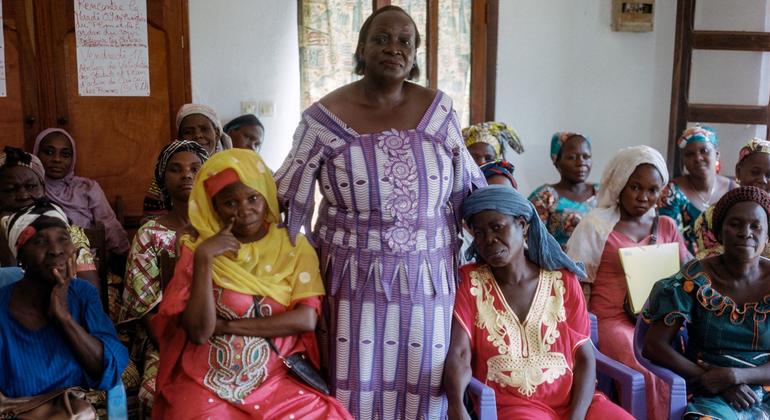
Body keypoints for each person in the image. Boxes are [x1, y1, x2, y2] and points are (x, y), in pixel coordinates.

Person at [274, 6, 485, 419]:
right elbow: (288, 196)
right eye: (382, 38)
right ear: (361, 48)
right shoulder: (324, 118)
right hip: (354, 279)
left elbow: (468, 186)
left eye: (405, 41)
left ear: (415, 53)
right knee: (357, 380)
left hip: (430, 278)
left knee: (427, 382)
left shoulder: (438, 110)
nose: (394, 48)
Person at [152, 149, 351, 419]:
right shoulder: (197, 248)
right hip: (206, 378)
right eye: (229, 203)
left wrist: (226, 327)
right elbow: (199, 333)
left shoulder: (293, 246)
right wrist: (204, 259)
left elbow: (304, 319)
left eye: (253, 198)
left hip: (278, 376)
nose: (245, 211)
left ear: (266, 194)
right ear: (214, 206)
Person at [444, 185, 632, 420]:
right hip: (516, 407)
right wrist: (456, 405)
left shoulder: (562, 279)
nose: (489, 239)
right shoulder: (471, 282)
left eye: (496, 227)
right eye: (479, 233)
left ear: (522, 225)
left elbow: (583, 356)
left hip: (576, 403)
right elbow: (459, 354)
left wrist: (576, 416)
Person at [566, 145, 692, 420]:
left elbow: (690, 273)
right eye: (635, 187)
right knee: (645, 362)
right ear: (620, 183)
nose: (643, 197)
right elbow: (575, 282)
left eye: (652, 190)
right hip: (612, 319)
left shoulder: (667, 226)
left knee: (687, 355)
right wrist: (581, 330)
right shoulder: (596, 226)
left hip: (658, 319)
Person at [644, 186, 770, 419]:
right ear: (719, 233)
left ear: (767, 234)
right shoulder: (695, 279)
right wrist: (717, 381)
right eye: (735, 224)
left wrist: (735, 376)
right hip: (712, 391)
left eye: (756, 226)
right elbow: (654, 345)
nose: (745, 233)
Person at [0, 200, 127, 403]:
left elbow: (110, 367)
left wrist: (65, 319)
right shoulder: (3, 309)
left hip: (75, 413)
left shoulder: (83, 294)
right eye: (40, 241)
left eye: (63, 239)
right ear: (20, 255)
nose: (56, 250)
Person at [118, 140, 209, 413]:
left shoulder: (221, 230)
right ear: (162, 179)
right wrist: (175, 346)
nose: (187, 175)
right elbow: (145, 309)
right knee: (159, 393)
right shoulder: (150, 234)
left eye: (195, 168)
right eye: (176, 169)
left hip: (221, 334)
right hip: (165, 339)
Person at [0, 146, 99, 288]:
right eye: (10, 189)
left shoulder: (69, 233)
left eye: (31, 186)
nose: (23, 196)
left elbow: (90, 293)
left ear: (43, 189)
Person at [33, 128, 130, 257]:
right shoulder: (29, 189)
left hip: (84, 264)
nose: (57, 159)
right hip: (39, 265)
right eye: (49, 152)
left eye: (65, 154)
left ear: (73, 159)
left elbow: (111, 228)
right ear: (36, 154)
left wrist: (126, 259)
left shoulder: (86, 188)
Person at [143, 103, 232, 217]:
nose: (198, 135)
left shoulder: (230, 170)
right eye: (188, 132)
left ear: (217, 134)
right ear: (180, 139)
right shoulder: (168, 173)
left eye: (204, 129)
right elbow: (152, 219)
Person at [658, 126, 734, 254]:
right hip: (685, 268)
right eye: (689, 154)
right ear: (684, 160)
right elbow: (667, 240)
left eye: (704, 151)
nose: (698, 158)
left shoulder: (734, 191)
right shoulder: (671, 192)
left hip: (727, 268)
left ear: (716, 154)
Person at [694, 137, 770, 259]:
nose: (762, 180)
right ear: (738, 171)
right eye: (755, 172)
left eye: (769, 175)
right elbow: (706, 258)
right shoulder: (711, 216)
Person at [529, 132, 599, 248]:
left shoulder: (603, 192)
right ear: (557, 161)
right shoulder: (545, 196)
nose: (581, 162)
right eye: (572, 157)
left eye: (586, 156)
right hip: (561, 264)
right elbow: (531, 239)